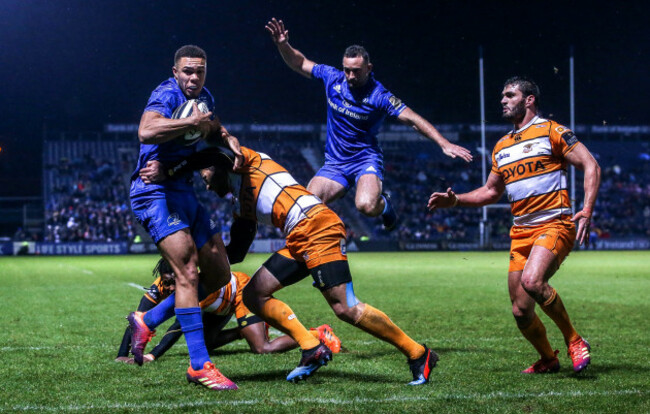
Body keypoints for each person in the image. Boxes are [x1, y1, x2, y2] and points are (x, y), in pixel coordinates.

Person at [139, 145, 438, 386]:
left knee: (345, 307)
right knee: (254, 294)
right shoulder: (239, 204)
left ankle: (418, 354)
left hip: (317, 228)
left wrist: (174, 167)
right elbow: (237, 252)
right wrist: (197, 266)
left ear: (216, 166)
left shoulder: (244, 161)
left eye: (204, 173)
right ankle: (311, 346)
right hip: (299, 236)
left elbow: (215, 152)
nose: (204, 183)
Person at [427, 76, 601, 374]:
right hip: (520, 231)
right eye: (503, 96)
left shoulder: (552, 131)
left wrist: (586, 209)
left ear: (529, 99)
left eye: (510, 95)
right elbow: (490, 192)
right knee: (520, 310)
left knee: (533, 282)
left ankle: (574, 339)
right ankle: (548, 359)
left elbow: (591, 165)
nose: (503, 101)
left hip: (554, 224)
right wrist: (454, 201)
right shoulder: (502, 146)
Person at [265, 17, 472, 231]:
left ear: (369, 68)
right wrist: (283, 44)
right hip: (335, 163)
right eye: (347, 70)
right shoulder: (332, 79)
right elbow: (300, 63)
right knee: (307, 203)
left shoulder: (379, 95)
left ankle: (385, 206)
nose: (350, 76)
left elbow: (412, 118)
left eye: (356, 71)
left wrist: (443, 143)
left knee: (366, 205)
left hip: (365, 160)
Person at [128, 44, 243, 391]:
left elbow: (214, 126)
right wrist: (190, 121)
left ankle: (147, 320)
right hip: (155, 192)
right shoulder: (164, 94)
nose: (194, 77)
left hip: (183, 190)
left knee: (221, 274)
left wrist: (229, 139)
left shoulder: (205, 96)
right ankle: (199, 365)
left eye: (200, 71)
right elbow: (146, 131)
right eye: (188, 71)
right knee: (187, 270)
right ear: (175, 71)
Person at [116, 258, 341, 364]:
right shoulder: (161, 286)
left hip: (239, 294)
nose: (173, 288)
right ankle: (243, 330)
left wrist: (152, 355)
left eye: (175, 281)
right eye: (168, 282)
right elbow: (138, 319)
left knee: (262, 348)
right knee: (209, 344)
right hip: (218, 308)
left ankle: (317, 334)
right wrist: (121, 355)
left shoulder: (195, 287)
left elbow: (178, 326)